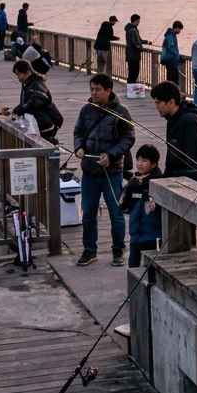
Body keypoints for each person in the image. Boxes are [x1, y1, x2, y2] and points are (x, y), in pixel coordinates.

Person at [72, 74, 136, 266]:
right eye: (91, 89)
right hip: (89, 171)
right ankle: (89, 250)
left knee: (116, 213)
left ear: (108, 91)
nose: (93, 93)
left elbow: (128, 138)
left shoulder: (122, 112)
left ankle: (118, 250)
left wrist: (111, 154)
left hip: (112, 172)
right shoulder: (86, 110)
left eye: (97, 89)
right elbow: (78, 132)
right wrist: (79, 148)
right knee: (89, 212)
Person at [150, 81, 197, 187]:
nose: (156, 106)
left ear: (171, 102)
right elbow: (172, 157)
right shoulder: (172, 121)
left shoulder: (190, 121)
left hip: (194, 184)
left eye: (158, 103)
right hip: (175, 180)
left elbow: (195, 158)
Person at [120, 144, 164, 268]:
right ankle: (133, 285)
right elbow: (125, 205)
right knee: (133, 262)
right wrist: (129, 187)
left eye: (144, 161)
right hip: (135, 231)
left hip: (152, 234)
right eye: (138, 160)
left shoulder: (158, 182)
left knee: (150, 266)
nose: (139, 163)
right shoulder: (134, 180)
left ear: (154, 164)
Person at [2, 59, 63, 144]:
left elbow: (33, 103)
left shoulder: (37, 85)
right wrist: (12, 112)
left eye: (19, 74)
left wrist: (16, 110)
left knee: (44, 149)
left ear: (28, 73)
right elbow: (26, 105)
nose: (18, 78)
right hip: (36, 123)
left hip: (45, 124)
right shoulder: (28, 84)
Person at [125, 14, 148, 84]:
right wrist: (142, 49)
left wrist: (145, 42)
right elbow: (136, 44)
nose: (139, 22)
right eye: (138, 21)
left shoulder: (129, 29)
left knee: (131, 72)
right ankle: (132, 88)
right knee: (134, 72)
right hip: (134, 55)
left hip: (130, 55)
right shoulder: (133, 30)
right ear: (135, 21)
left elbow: (138, 40)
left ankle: (130, 88)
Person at [160, 20, 183, 86]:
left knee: (171, 79)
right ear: (176, 28)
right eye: (180, 29)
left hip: (169, 60)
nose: (179, 31)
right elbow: (171, 48)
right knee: (173, 80)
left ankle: (170, 93)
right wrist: (178, 56)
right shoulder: (170, 36)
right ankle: (173, 94)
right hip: (171, 61)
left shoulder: (169, 35)